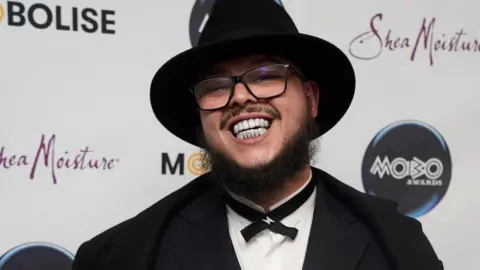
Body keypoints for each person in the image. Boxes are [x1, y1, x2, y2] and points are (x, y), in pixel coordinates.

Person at [72, 0, 443, 269]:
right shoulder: (121, 257)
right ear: (200, 118)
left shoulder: (399, 247)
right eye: (217, 86)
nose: (241, 98)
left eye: (267, 76)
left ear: (311, 99)